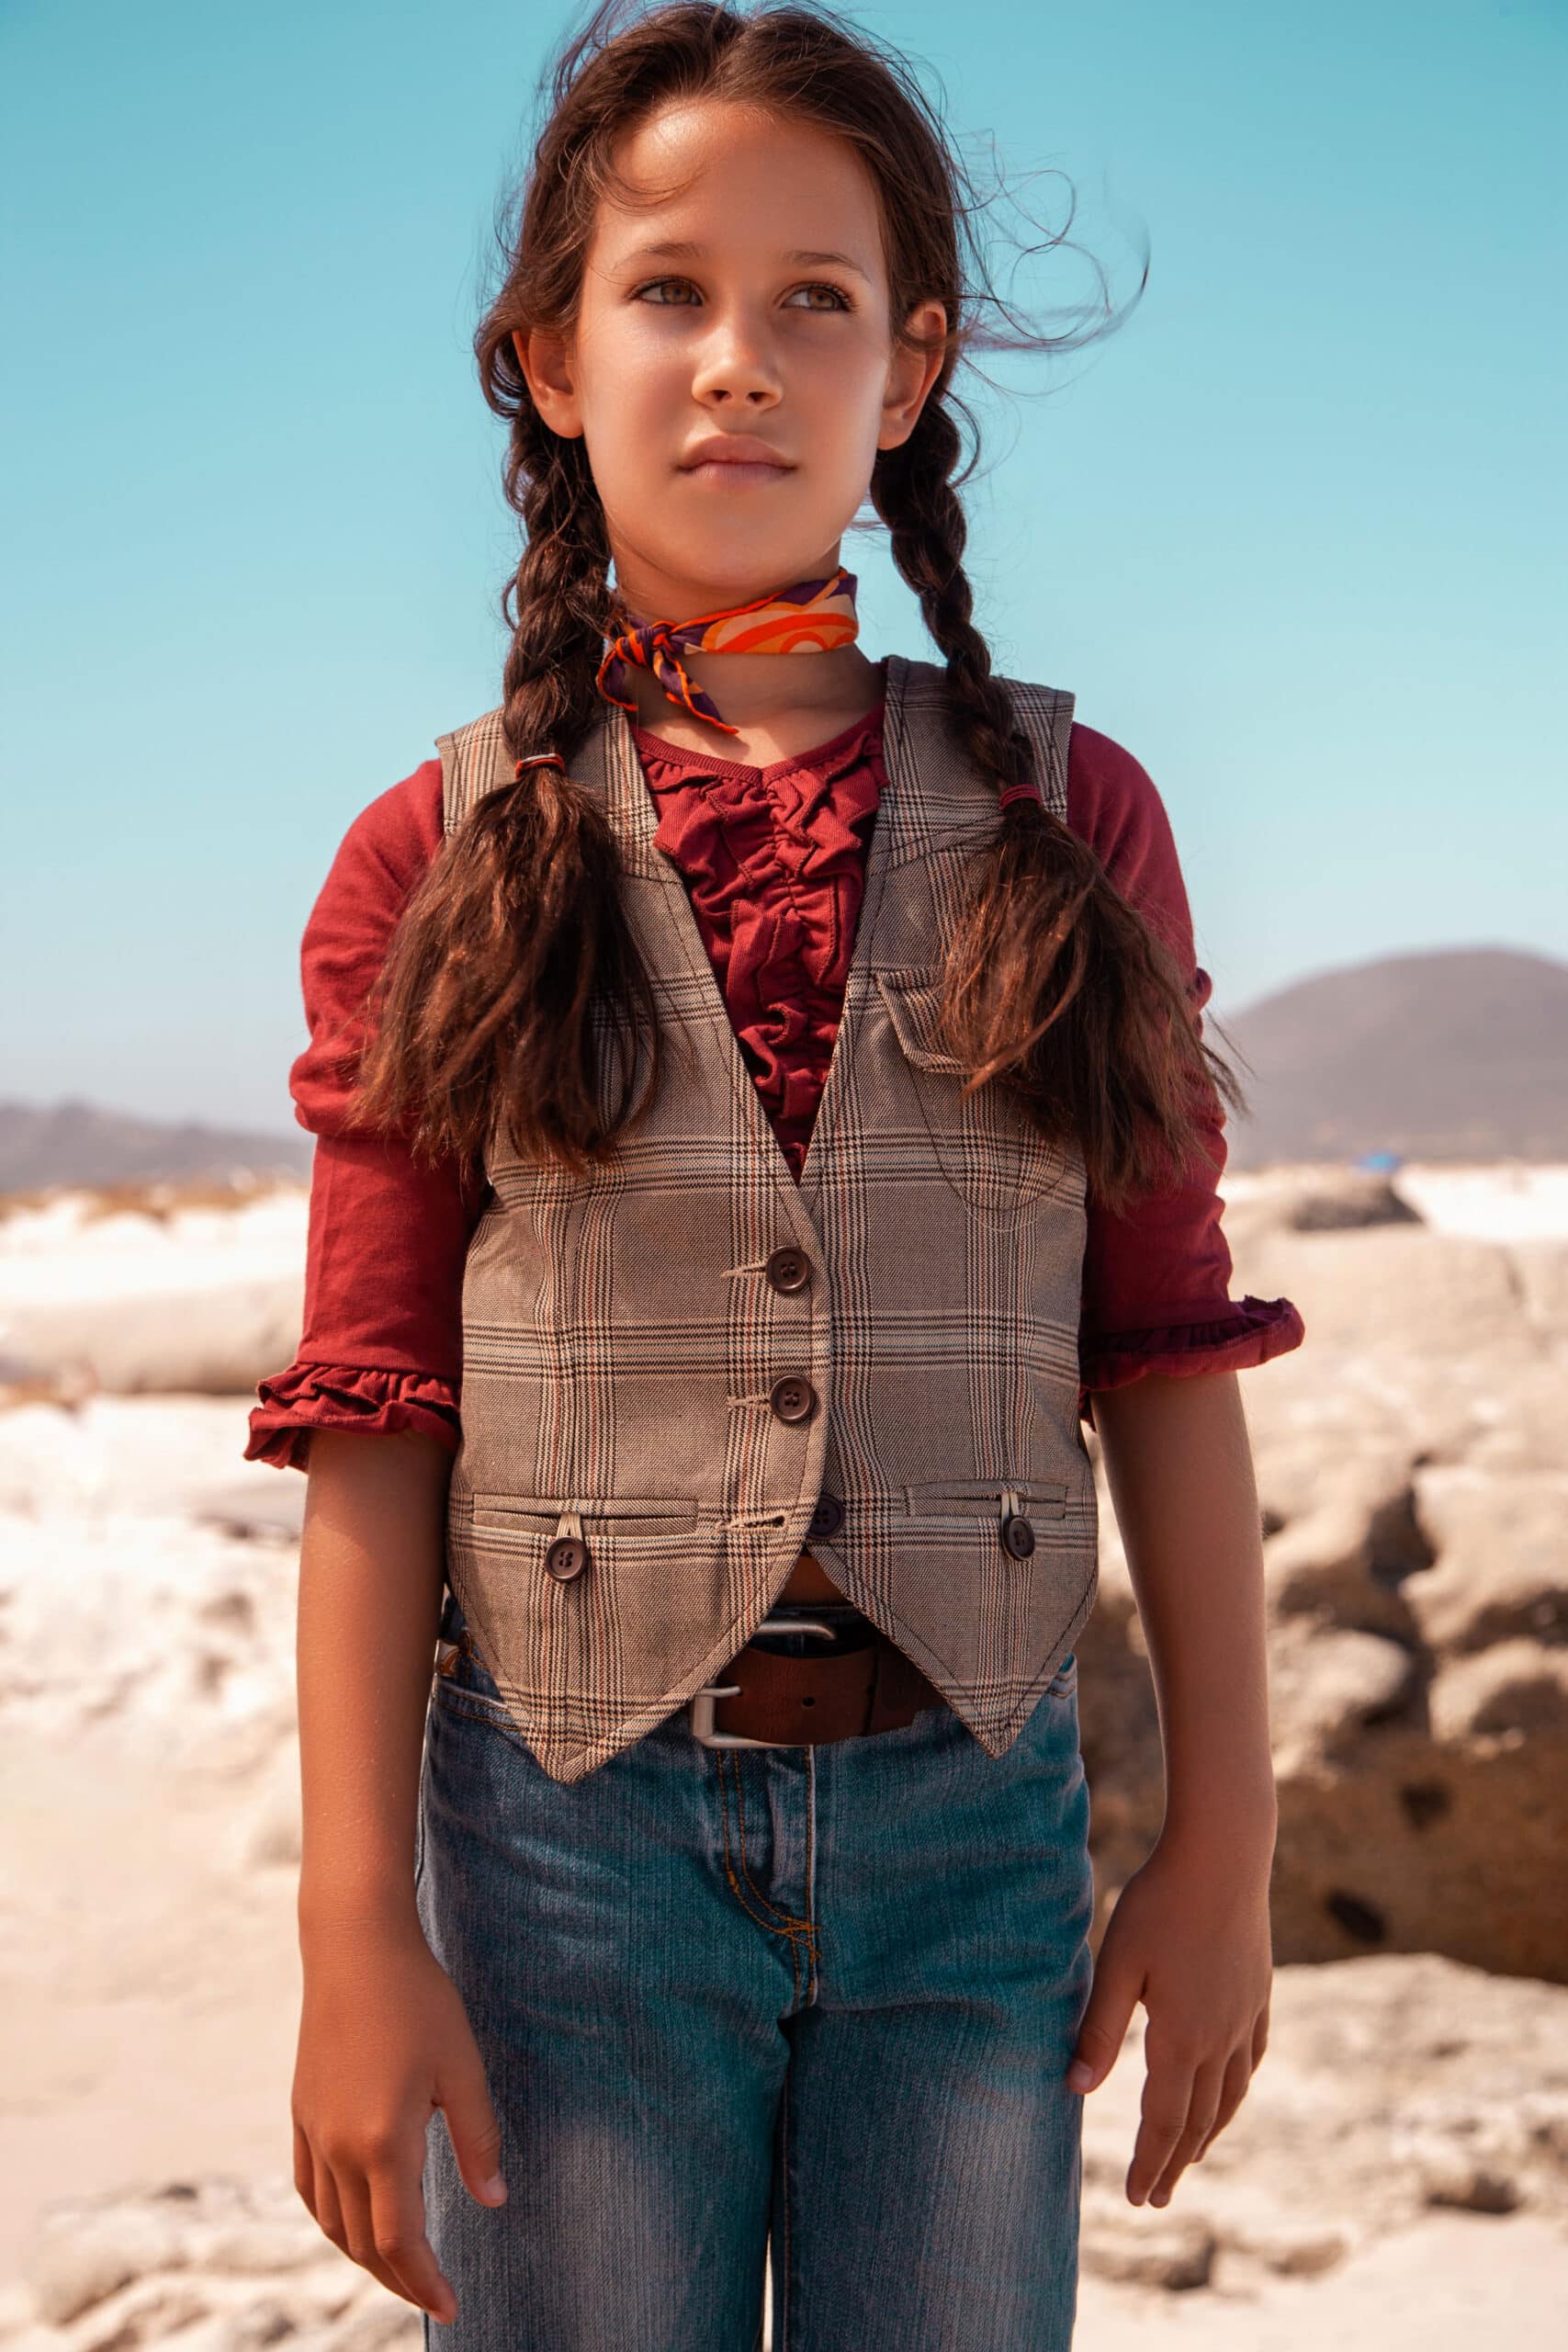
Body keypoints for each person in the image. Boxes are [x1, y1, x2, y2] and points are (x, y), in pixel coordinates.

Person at [249, 5, 1305, 2344]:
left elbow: (1160, 1341)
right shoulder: (434, 855)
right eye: (667, 292)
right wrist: (356, 1925)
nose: (739, 358)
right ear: (541, 355)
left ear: (909, 367)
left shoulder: (1068, 814)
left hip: (975, 1829)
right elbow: (373, 1406)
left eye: (813, 299)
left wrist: (1220, 1830)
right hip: (561, 1840)